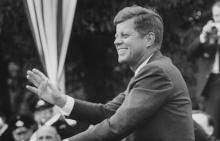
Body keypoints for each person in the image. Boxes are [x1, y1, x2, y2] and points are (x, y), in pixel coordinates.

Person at [26, 5, 195, 141]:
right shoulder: (150, 71)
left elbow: (117, 126)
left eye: (125, 35)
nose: (116, 41)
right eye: (116, 35)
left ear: (149, 39)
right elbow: (107, 113)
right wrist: (60, 100)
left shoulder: (156, 72)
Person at [187, 1, 220, 138]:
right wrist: (203, 37)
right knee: (214, 121)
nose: (218, 19)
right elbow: (190, 54)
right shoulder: (209, 34)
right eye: (217, 16)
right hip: (213, 82)